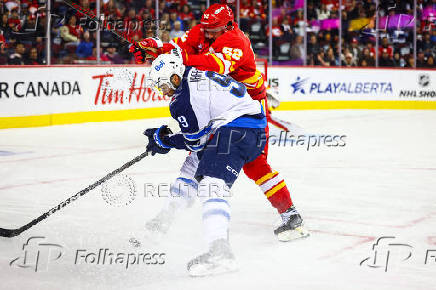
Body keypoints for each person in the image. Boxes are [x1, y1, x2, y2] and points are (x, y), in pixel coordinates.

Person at [131, 3, 309, 242]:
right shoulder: (203, 30)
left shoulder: (237, 41)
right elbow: (176, 49)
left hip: (245, 108)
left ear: (228, 25)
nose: (208, 33)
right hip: (214, 104)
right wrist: (155, 46)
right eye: (206, 28)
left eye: (213, 29)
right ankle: (166, 218)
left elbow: (215, 65)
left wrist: (169, 141)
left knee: (254, 163)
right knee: (197, 158)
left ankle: (290, 215)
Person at [145, 52, 267, 276]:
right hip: (246, 128)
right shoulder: (191, 74)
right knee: (192, 166)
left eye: (163, 85)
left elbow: (194, 140)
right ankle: (166, 218)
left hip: (238, 130)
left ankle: (221, 253)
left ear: (174, 78)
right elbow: (198, 141)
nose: (162, 91)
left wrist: (165, 141)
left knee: (211, 184)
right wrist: (168, 140)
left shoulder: (182, 99)